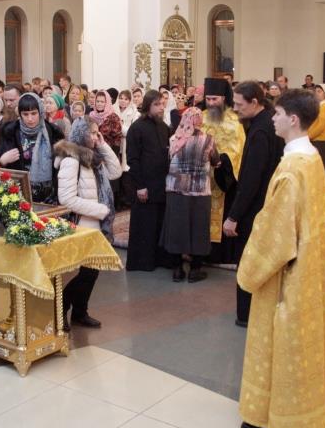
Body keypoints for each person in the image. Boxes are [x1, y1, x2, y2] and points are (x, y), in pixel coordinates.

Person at [237, 89, 325, 428]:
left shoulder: (292, 168)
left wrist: (249, 267)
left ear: (293, 119)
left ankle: (273, 417)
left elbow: (276, 233)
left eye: (277, 113)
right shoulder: (312, 158)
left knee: (279, 340)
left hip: (287, 274)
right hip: (309, 266)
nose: (273, 118)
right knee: (302, 340)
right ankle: (307, 409)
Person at [54, 117, 122, 329]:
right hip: (82, 224)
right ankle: (60, 309)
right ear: (81, 134)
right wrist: (101, 210)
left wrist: (102, 144)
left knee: (92, 271)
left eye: (96, 132)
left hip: (95, 225)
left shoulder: (93, 158)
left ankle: (80, 311)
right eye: (92, 133)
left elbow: (116, 171)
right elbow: (66, 199)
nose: (95, 136)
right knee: (83, 273)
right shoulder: (71, 160)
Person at [227, 81, 284, 326]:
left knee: (249, 260)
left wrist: (234, 216)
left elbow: (251, 179)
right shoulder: (269, 121)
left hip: (255, 208)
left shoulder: (260, 131)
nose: (235, 109)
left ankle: (246, 314)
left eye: (239, 104)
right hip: (268, 204)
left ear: (254, 102)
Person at [162, 107, 219, 282]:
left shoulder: (174, 138)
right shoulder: (208, 139)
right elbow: (216, 161)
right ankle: (195, 270)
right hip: (200, 191)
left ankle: (177, 270)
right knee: (198, 229)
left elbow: (167, 160)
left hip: (176, 190)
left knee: (176, 228)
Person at [125, 90, 173, 271]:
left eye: (162, 104)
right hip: (144, 184)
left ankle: (159, 259)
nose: (161, 108)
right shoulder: (136, 128)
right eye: (157, 104)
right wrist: (140, 186)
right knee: (145, 224)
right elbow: (133, 160)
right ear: (147, 106)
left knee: (159, 222)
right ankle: (143, 262)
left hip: (161, 184)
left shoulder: (164, 127)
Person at [201, 78, 246, 264]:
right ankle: (202, 253)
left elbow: (238, 149)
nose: (211, 103)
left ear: (223, 98)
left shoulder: (235, 121)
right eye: (208, 99)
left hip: (224, 177)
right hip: (202, 178)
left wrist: (221, 161)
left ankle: (223, 255)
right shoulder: (200, 117)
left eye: (215, 99)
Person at [0, 93, 64, 203]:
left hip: (49, 197)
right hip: (18, 195)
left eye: (34, 113)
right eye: (25, 114)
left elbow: (60, 169)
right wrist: (2, 161)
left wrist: (55, 196)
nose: (30, 119)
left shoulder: (53, 132)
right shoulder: (10, 132)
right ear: (20, 114)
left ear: (40, 112)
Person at [309, 83, 325, 176]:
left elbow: (320, 126)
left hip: (321, 140)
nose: (316, 93)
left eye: (319, 91)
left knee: (321, 168)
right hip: (315, 138)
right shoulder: (318, 106)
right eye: (315, 91)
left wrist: (308, 136)